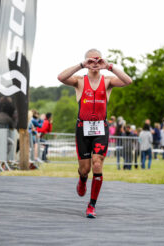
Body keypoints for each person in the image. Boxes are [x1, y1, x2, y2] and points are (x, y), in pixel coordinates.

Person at [57, 48, 132, 218]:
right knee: (85, 169)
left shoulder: (107, 81)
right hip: (83, 128)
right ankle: (82, 180)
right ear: (86, 63)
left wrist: (109, 66)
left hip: (100, 128)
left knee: (97, 164)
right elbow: (61, 77)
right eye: (90, 61)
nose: (94, 64)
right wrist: (81, 65)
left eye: (97, 60)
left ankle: (91, 205)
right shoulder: (79, 81)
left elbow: (128, 81)